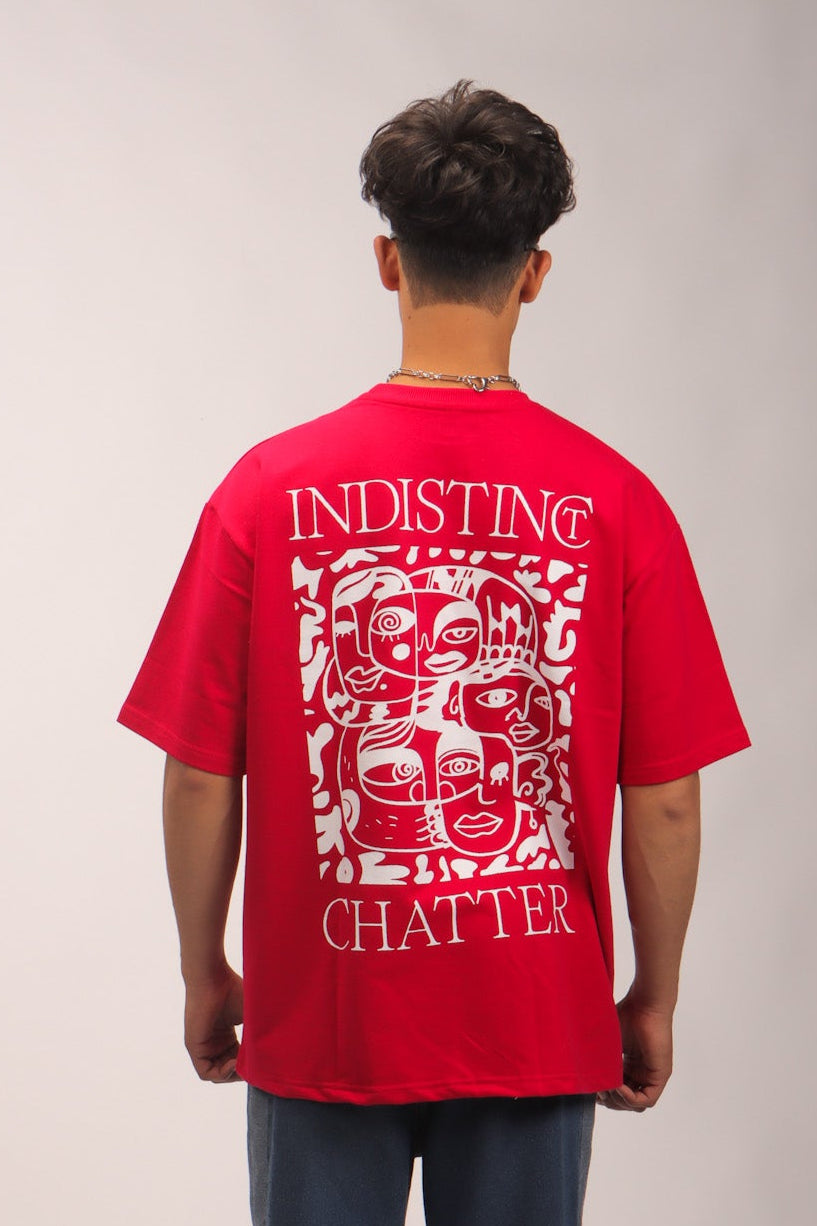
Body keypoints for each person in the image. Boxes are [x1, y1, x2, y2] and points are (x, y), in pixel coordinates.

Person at [117, 79, 750, 1226]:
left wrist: (202, 965)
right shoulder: (617, 501)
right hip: (535, 1016)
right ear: (535, 272)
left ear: (387, 261)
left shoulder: (266, 490)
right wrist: (651, 994)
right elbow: (664, 792)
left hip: (325, 1016)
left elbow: (201, 768)